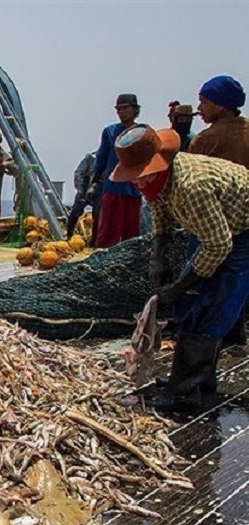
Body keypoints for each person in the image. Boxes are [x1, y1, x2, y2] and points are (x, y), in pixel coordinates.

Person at [110, 125, 249, 411]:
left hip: (242, 230)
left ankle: (186, 392)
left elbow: (219, 246)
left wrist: (180, 285)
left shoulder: (191, 187)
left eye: (141, 177)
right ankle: (190, 380)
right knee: (194, 301)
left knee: (213, 304)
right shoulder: (157, 182)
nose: (137, 183)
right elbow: (160, 212)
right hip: (216, 227)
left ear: (157, 166)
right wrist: (158, 255)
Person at [187, 75, 249, 347]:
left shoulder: (206, 140)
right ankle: (233, 334)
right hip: (245, 222)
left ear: (222, 106)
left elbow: (187, 175)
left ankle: (202, 345)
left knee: (205, 283)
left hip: (212, 221)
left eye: (204, 103)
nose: (199, 109)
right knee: (235, 285)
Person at [90, 93, 144, 248]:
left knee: (132, 237)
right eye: (118, 109)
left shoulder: (142, 132)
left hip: (134, 190)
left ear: (135, 110)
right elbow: (101, 159)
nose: (121, 112)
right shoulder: (110, 132)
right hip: (113, 189)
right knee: (107, 235)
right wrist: (93, 183)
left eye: (125, 108)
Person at [66, 150, 97, 241]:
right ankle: (69, 236)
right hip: (85, 186)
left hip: (99, 188)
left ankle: (95, 241)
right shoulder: (91, 157)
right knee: (75, 212)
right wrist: (79, 189)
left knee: (98, 215)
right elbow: (78, 172)